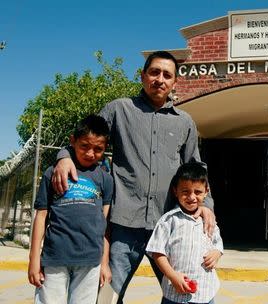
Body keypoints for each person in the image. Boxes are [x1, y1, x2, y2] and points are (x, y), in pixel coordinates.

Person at [51, 51, 216, 303]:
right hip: (123, 226)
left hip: (170, 225)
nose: (160, 79)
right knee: (107, 294)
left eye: (167, 75)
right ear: (142, 76)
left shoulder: (185, 123)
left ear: (174, 83)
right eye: (154, 72)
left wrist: (206, 205)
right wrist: (64, 156)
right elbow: (88, 137)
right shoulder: (119, 110)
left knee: (183, 293)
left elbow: (196, 168)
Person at [28, 115, 113, 304]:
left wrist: (104, 263)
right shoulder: (53, 172)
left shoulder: (106, 179)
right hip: (55, 257)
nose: (90, 153)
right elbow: (41, 217)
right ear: (72, 141)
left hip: (90, 260)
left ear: (105, 148)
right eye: (84, 146)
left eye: (98, 149)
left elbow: (105, 226)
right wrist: (34, 260)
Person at [146, 162, 223, 304]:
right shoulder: (169, 220)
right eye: (185, 191)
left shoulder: (208, 221)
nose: (192, 197)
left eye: (198, 192)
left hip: (205, 293)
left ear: (206, 191)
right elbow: (157, 252)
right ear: (175, 191)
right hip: (174, 294)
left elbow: (218, 244)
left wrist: (217, 253)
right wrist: (172, 276)